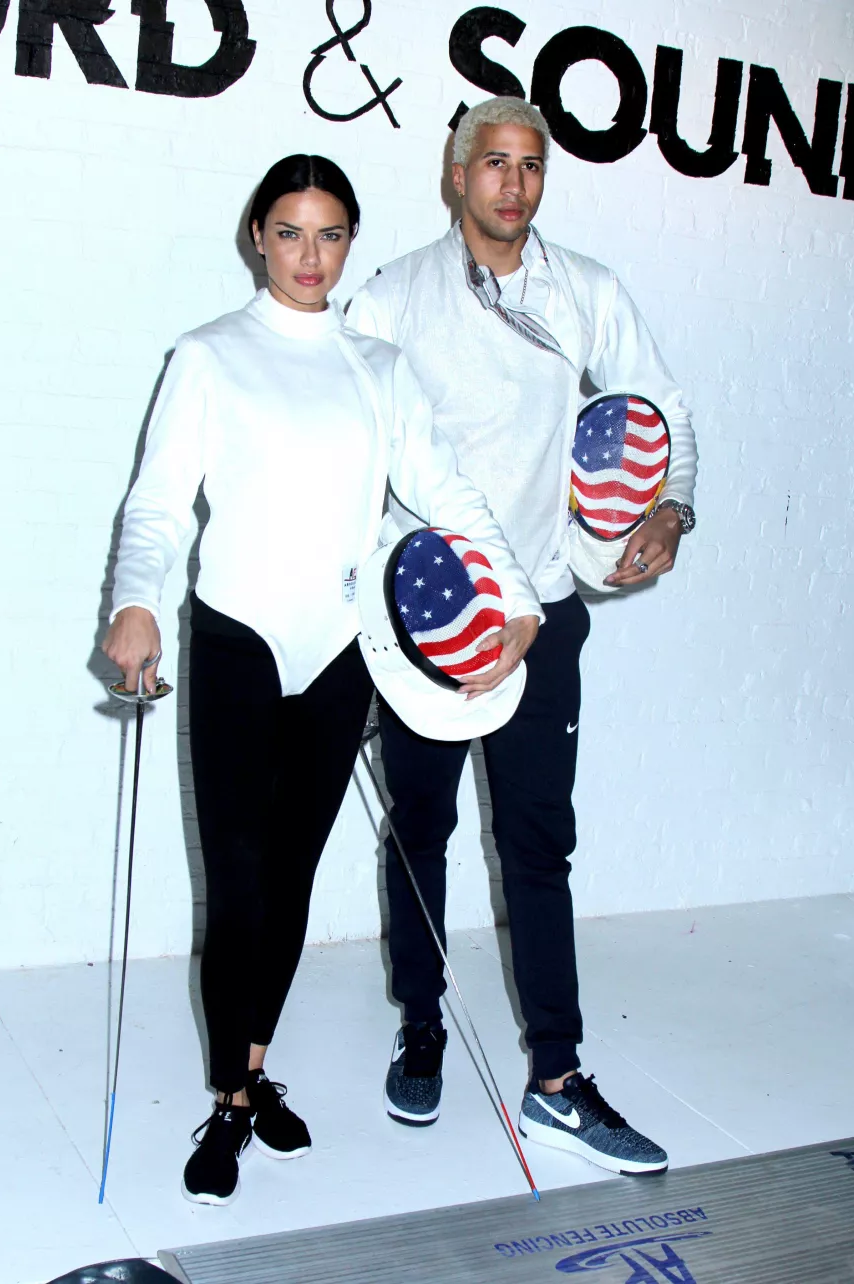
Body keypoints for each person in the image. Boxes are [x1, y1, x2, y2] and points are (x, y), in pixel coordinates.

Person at [102, 153, 543, 1205]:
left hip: (341, 656)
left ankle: (253, 1074)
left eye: (331, 235)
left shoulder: (377, 370)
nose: (311, 257)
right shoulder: (209, 357)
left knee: (290, 883)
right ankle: (227, 1099)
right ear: (258, 235)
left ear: (349, 243)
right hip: (239, 644)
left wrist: (516, 593)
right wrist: (135, 602)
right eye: (291, 233)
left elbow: (446, 492)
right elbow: (158, 508)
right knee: (239, 886)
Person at [347, 97, 698, 1175]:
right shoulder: (393, 295)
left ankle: (556, 1076)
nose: (513, 182)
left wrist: (668, 508)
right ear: (455, 177)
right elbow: (348, 444)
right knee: (419, 829)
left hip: (544, 611)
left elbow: (661, 415)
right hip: (432, 617)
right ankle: (421, 1024)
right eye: (492, 163)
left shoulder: (586, 292)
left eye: (530, 166)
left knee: (537, 843)